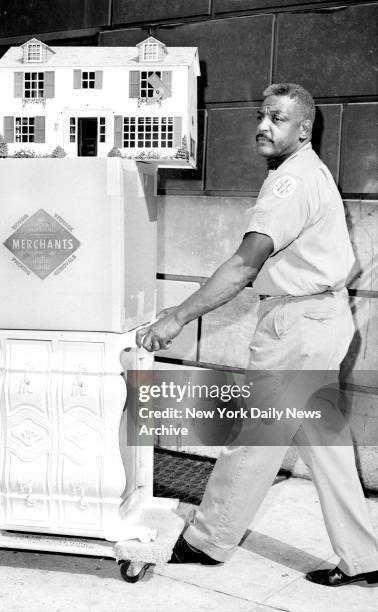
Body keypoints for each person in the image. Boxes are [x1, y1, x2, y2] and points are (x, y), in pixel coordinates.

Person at [136, 83, 378, 587]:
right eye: (263, 115)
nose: (263, 126)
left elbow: (245, 264)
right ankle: (364, 556)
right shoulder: (311, 172)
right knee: (326, 443)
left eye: (278, 118)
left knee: (254, 438)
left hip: (297, 324)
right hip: (322, 319)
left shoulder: (290, 182)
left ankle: (208, 541)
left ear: (303, 128)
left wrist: (176, 317)